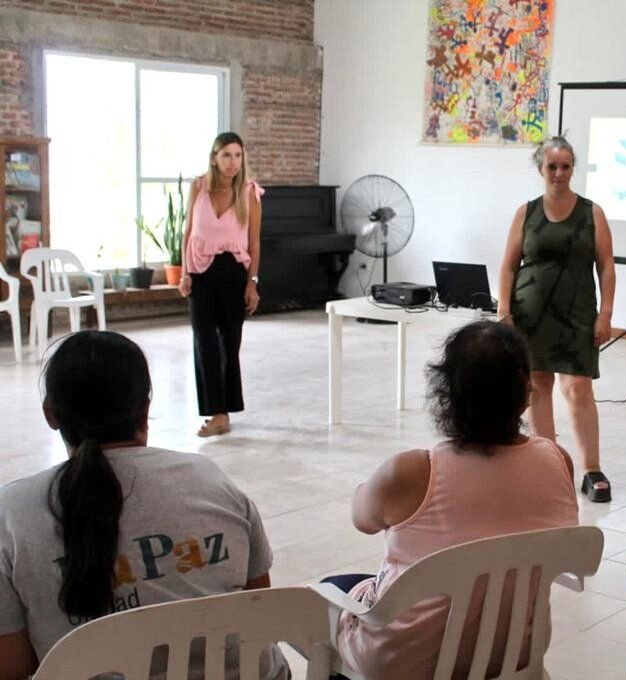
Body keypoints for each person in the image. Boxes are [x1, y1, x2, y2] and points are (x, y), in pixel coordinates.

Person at [0, 331, 285, 679]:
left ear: (51, 414)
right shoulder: (210, 480)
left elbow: (12, 665)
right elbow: (260, 611)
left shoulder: (13, 514)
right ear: (145, 409)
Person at [328, 321, 579, 680]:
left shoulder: (413, 472)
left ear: (446, 394)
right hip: (512, 653)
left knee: (329, 594)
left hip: (406, 661)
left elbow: (362, 519)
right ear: (526, 392)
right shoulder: (558, 462)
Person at [497, 135, 616, 503]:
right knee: (538, 385)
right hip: (530, 313)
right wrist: (504, 310)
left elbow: (606, 266)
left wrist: (606, 313)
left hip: (578, 312)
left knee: (579, 387)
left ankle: (592, 469)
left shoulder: (592, 212)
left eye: (566, 166)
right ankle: (548, 466)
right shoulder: (526, 212)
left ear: (573, 169)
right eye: (552, 166)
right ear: (541, 169)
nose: (559, 173)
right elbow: (508, 265)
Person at [179, 131, 263, 437]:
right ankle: (216, 411)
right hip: (200, 272)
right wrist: (185, 272)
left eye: (237, 155)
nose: (233, 162)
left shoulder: (250, 193)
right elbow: (188, 231)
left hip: (233, 272)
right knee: (204, 341)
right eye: (226, 155)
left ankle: (223, 413)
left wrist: (252, 282)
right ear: (214, 158)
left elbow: (254, 241)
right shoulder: (199, 187)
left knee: (229, 343)